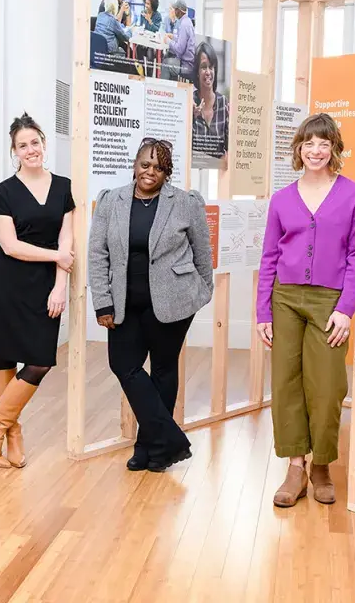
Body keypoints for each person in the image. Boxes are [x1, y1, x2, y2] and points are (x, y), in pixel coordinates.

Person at [89, 138, 213, 472]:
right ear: (135, 164)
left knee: (163, 369)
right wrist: (102, 302)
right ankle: (168, 439)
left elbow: (203, 253)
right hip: (123, 304)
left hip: (173, 303)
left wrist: (201, 292)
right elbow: (97, 254)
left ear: (166, 172)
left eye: (159, 167)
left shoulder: (185, 203)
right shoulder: (110, 201)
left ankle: (151, 449)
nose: (150, 172)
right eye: (145, 164)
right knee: (124, 365)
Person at [255, 113, 355, 507]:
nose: (316, 150)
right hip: (285, 298)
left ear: (334, 148)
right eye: (308, 143)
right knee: (285, 382)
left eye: (324, 143)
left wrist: (347, 308)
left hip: (329, 301)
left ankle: (322, 465)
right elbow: (268, 257)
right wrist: (263, 312)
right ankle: (296, 466)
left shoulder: (353, 194)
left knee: (328, 386)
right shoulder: (282, 199)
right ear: (298, 149)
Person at [0, 113, 76, 469]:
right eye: (23, 145)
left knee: (40, 360)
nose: (30, 149)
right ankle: (10, 433)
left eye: (35, 142)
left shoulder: (63, 186)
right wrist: (57, 257)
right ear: (14, 152)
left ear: (44, 144)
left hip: (46, 285)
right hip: (9, 280)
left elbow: (68, 240)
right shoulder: (4, 191)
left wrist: (60, 286)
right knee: (5, 354)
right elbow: (11, 246)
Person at [191, 40, 229, 163]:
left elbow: (229, 148)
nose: (208, 72)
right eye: (203, 67)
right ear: (197, 72)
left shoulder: (223, 103)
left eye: (211, 67)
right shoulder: (189, 102)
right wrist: (191, 118)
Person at [163, 0, 195, 82]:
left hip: (186, 65)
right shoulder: (187, 21)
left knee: (166, 63)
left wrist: (168, 41)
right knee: (168, 58)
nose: (174, 11)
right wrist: (173, 37)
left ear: (180, 11)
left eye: (175, 9)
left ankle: (164, 90)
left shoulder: (184, 24)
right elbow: (183, 41)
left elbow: (179, 50)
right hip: (188, 62)